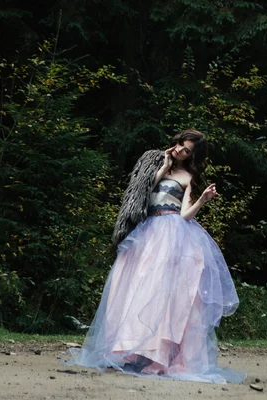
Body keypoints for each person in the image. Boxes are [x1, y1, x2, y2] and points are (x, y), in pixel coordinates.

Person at [67, 129, 246, 384]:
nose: (179, 151)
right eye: (179, 145)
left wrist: (203, 199)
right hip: (146, 230)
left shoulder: (189, 176)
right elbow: (140, 194)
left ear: (192, 156)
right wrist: (163, 167)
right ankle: (130, 349)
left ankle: (156, 355)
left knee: (162, 292)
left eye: (186, 151)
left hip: (172, 232)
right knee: (132, 287)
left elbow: (184, 215)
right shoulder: (154, 161)